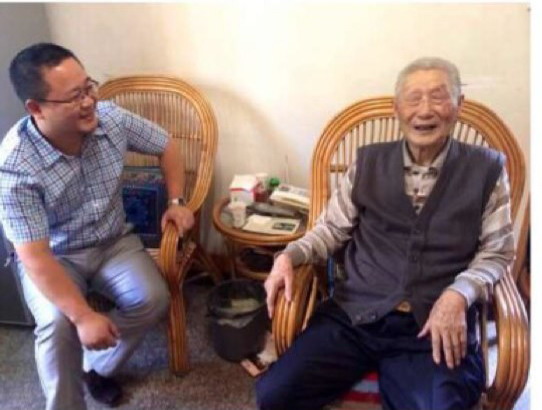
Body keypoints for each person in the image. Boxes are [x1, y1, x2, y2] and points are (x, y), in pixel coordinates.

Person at [256, 57, 514, 410]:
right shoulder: (367, 163)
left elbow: (497, 251)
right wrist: (289, 255)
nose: (425, 110)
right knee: (275, 394)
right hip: (355, 314)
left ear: (459, 105)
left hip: (433, 326)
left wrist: (459, 294)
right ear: (397, 108)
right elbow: (331, 229)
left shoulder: (487, 170)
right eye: (413, 98)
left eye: (439, 96)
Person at [0, 43, 194, 410]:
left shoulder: (111, 118)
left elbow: (165, 145)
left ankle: (95, 367)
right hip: (55, 256)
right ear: (36, 108)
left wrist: (176, 202)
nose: (89, 102)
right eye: (74, 97)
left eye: (88, 87)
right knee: (57, 324)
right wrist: (83, 315)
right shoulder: (14, 167)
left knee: (153, 298)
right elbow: (35, 258)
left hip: (114, 241)